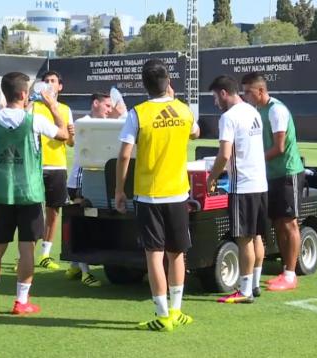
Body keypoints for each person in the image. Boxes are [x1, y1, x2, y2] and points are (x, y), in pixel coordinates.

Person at [115, 59, 199, 332]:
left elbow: (125, 154)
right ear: (168, 81)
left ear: (144, 84)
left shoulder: (137, 114)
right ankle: (176, 310)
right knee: (177, 253)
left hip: (150, 195)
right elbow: (195, 133)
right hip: (177, 193)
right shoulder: (183, 110)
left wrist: (118, 190)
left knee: (154, 254)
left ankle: (163, 314)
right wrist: (174, 103)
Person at [0, 72, 69, 315]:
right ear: (24, 94)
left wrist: (2, 156)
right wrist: (53, 107)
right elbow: (63, 134)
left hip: (2, 193)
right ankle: (21, 301)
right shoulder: (34, 120)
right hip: (29, 193)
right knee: (26, 249)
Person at [206, 75, 268, 304]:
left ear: (223, 93)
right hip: (260, 183)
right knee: (256, 236)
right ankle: (254, 285)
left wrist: (212, 178)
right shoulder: (253, 112)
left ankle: (244, 291)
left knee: (243, 239)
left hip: (242, 186)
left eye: (214, 97)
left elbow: (224, 154)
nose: (215, 102)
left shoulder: (229, 117)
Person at [241, 72, 305, 292]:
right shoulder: (257, 111)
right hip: (270, 175)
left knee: (290, 223)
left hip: (288, 172)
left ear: (260, 90)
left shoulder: (276, 110)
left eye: (248, 92)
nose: (245, 96)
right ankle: (285, 272)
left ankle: (290, 273)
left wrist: (252, 159)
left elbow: (279, 148)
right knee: (278, 222)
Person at [65, 92, 114, 287]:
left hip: (92, 182)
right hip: (79, 183)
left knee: (84, 222)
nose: (109, 110)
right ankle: (85, 272)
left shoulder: (102, 126)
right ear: (96, 104)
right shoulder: (83, 124)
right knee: (84, 224)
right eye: (107, 106)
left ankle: (75, 265)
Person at [33, 71, 74, 271]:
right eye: (46, 81)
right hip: (35, 165)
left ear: (60, 86)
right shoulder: (34, 107)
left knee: (53, 211)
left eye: (53, 81)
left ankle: (45, 254)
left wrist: (72, 135)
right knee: (31, 211)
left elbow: (71, 142)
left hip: (57, 165)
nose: (49, 84)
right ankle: (24, 255)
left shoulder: (66, 109)